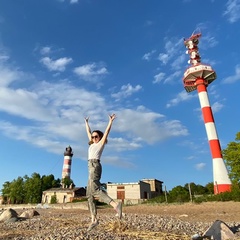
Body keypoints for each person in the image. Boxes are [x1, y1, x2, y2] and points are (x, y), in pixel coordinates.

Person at [84, 114, 122, 231]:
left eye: (96, 136)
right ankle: (94, 219)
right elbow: (88, 132)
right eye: (93, 137)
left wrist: (110, 121)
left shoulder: (100, 144)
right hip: (90, 166)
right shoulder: (92, 144)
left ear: (100, 138)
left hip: (95, 166)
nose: (94, 138)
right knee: (89, 194)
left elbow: (106, 132)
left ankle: (115, 205)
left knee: (95, 190)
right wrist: (86, 123)